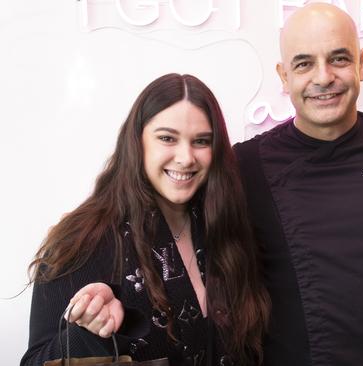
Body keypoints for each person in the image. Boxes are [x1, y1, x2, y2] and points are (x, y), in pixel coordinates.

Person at [233, 3, 363, 365]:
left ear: (362, 64)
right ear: (283, 76)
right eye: (303, 64)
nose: (323, 77)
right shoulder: (246, 164)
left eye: (339, 59)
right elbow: (186, 239)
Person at [21, 73, 270, 366]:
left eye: (201, 141)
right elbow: (35, 362)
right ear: (137, 141)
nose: (186, 157)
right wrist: (91, 332)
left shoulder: (226, 229)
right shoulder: (80, 240)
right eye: (167, 138)